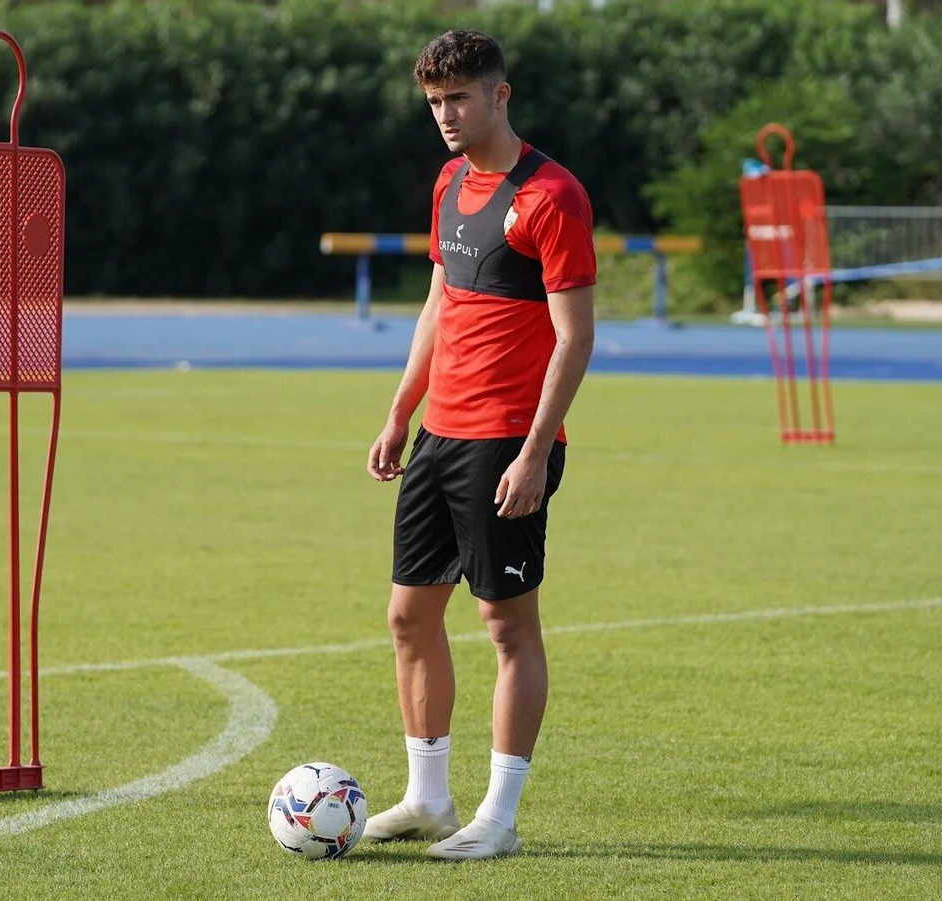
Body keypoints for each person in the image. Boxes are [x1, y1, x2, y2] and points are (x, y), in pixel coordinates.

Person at [363, 29, 596, 861]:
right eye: (434, 102)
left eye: (459, 98)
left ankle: (498, 817)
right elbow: (439, 302)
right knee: (408, 615)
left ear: (501, 95)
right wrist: (402, 411)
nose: (445, 115)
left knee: (505, 624)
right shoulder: (449, 181)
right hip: (439, 434)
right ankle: (428, 799)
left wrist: (533, 453)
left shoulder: (553, 196)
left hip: (506, 444)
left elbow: (574, 338)